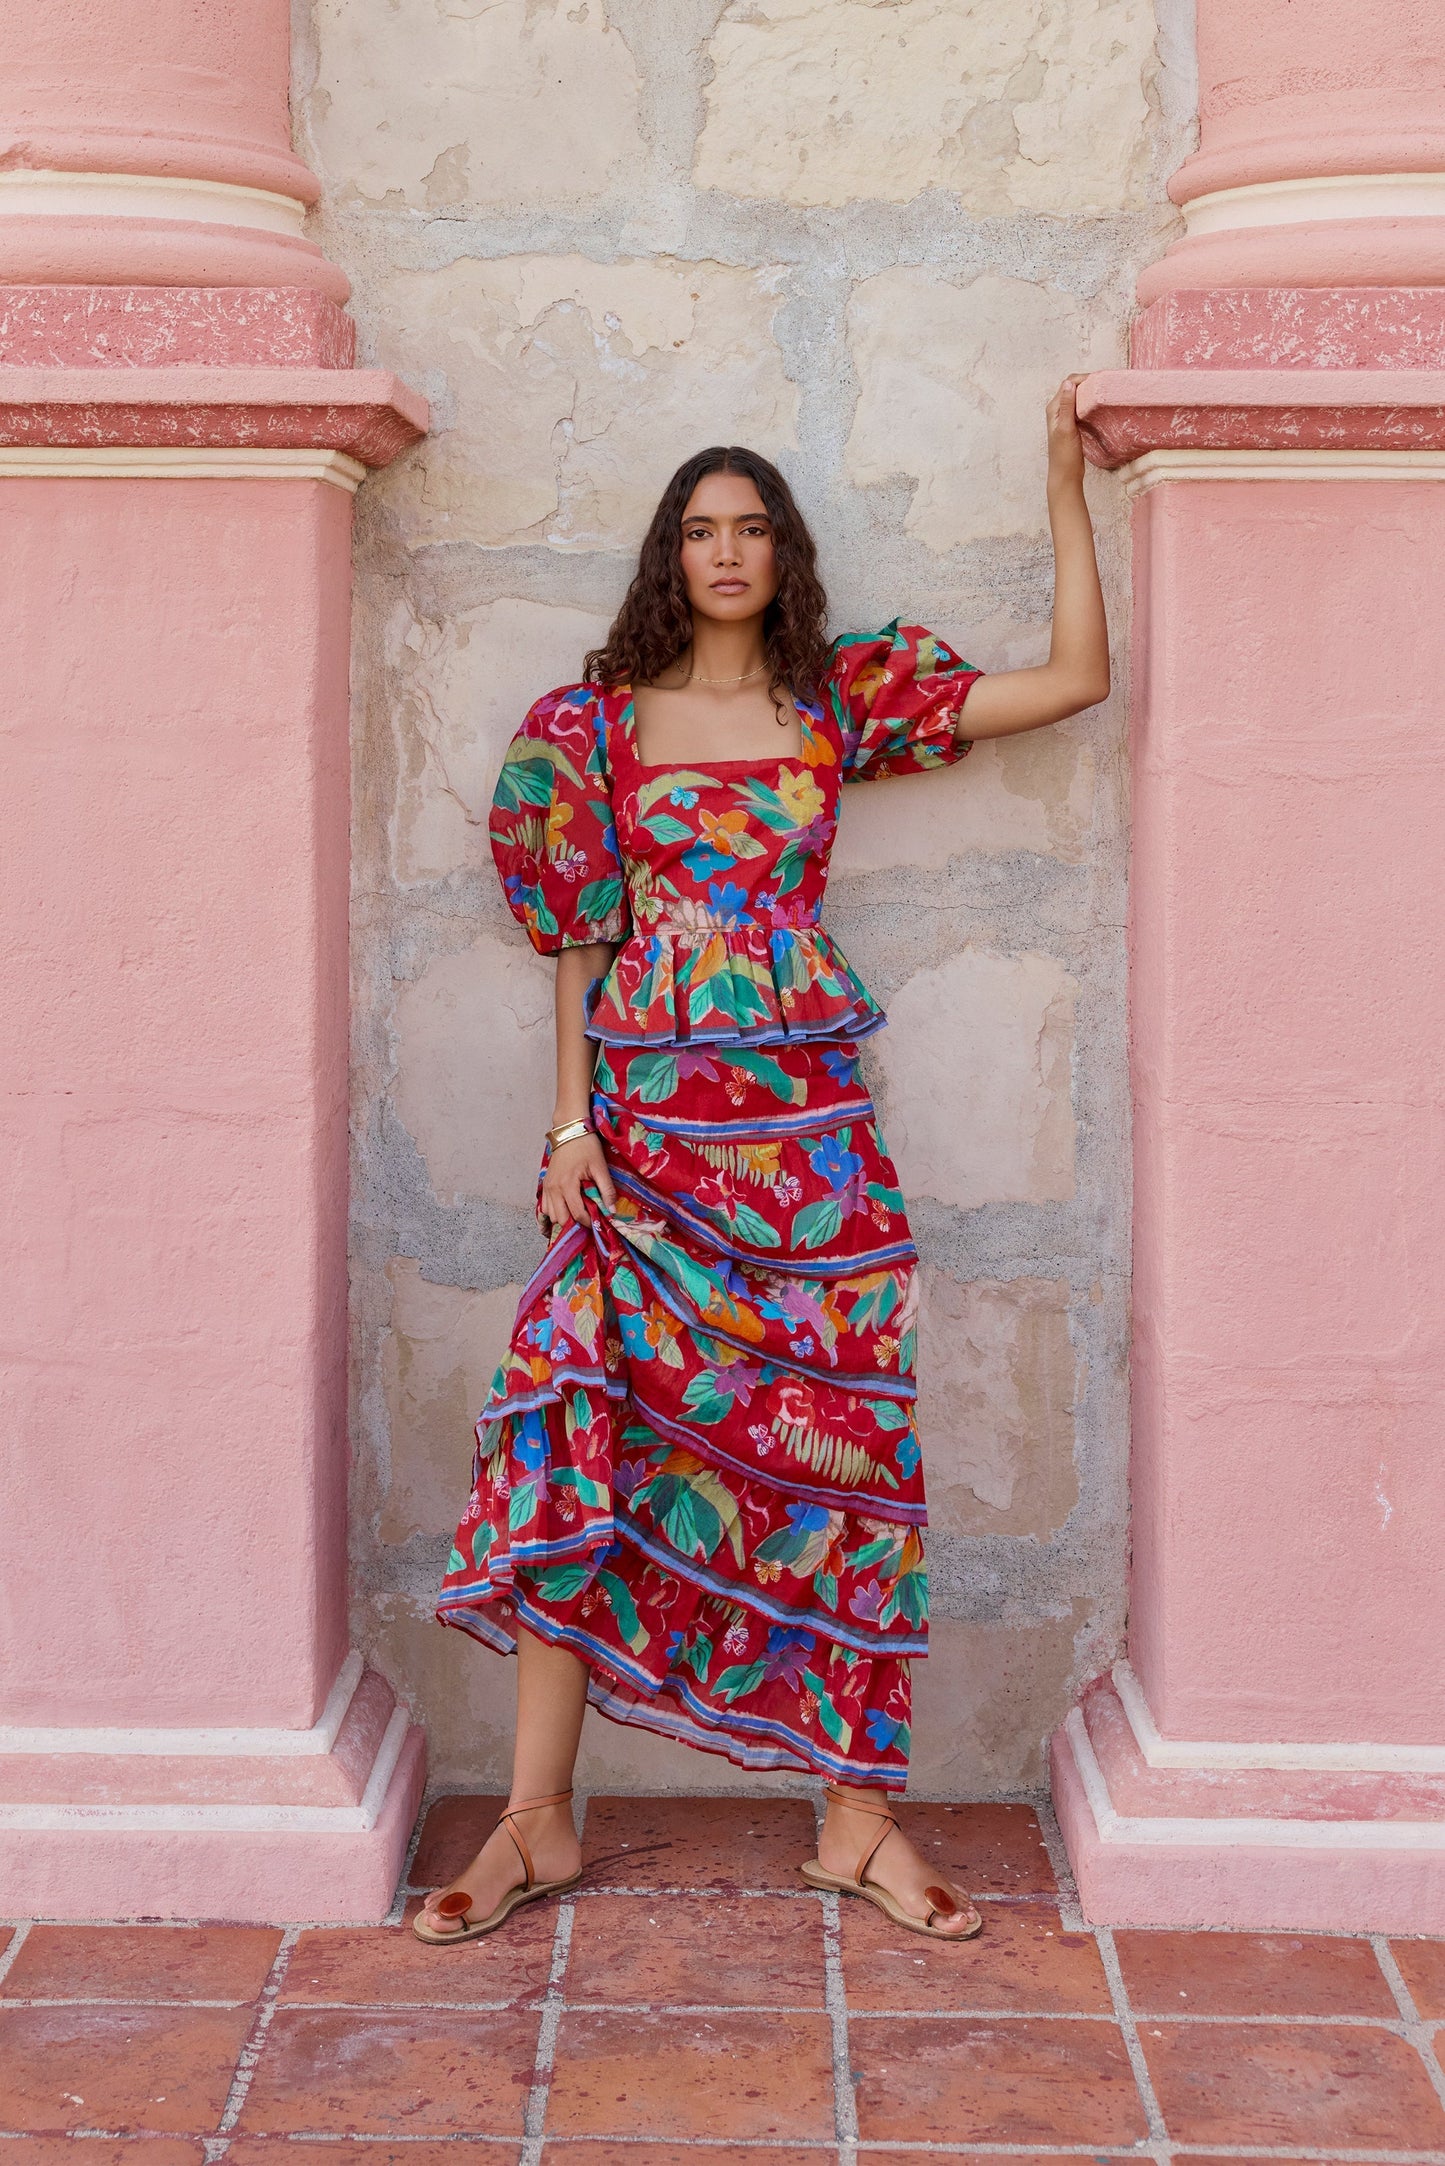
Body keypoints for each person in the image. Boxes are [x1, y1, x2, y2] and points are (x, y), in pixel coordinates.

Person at [417, 378, 1109, 1947]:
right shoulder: (589, 727)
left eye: (751, 528)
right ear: (669, 554)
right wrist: (570, 1128)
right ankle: (534, 1818)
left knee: (847, 1461)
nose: (725, 551)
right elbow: (580, 942)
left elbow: (1075, 679)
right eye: (698, 528)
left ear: (785, 554)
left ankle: (857, 1823)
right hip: (646, 1150)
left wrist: (1062, 484)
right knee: (575, 1423)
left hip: (809, 1162)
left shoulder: (832, 706)